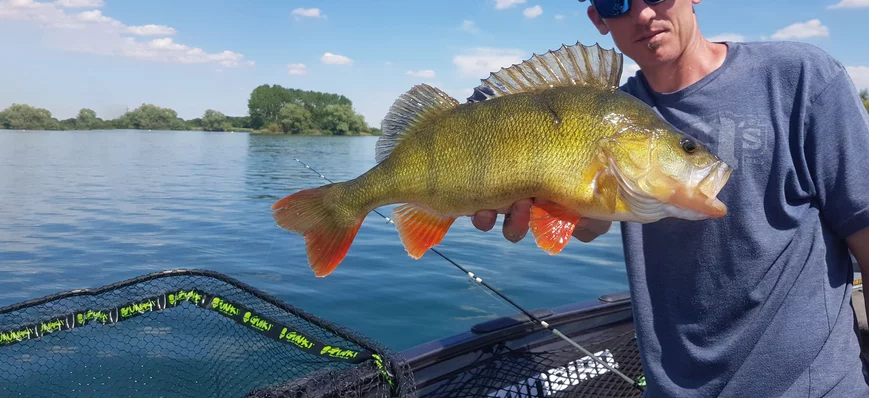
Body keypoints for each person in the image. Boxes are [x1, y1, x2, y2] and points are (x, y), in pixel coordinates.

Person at [469, 0, 869, 396]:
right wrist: (553, 207)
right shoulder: (611, 109)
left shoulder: (801, 77)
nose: (643, 14)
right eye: (615, 1)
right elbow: (592, 225)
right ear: (598, 18)